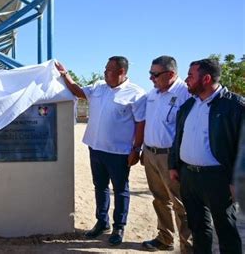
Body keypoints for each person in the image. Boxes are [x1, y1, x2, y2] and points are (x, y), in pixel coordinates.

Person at [56, 56, 146, 246]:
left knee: (120, 190)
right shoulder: (98, 87)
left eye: (108, 70)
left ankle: (119, 227)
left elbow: (140, 123)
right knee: (100, 187)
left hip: (119, 152)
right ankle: (102, 222)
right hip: (95, 148)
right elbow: (78, 92)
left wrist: (136, 149)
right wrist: (65, 75)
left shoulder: (136, 94)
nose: (104, 73)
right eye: (105, 69)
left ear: (121, 72)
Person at [169, 58, 244, 254]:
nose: (186, 80)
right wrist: (173, 166)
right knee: (198, 228)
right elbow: (178, 138)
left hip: (219, 179)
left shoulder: (235, 106)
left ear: (206, 78)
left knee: (226, 229)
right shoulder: (188, 106)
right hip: (189, 177)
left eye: (191, 76)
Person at [141, 56, 193, 252]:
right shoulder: (153, 94)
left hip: (172, 158)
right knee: (159, 199)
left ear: (170, 74)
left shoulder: (185, 93)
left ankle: (187, 247)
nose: (151, 78)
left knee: (181, 204)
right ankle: (165, 238)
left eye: (155, 74)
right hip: (150, 154)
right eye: (150, 74)